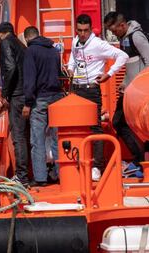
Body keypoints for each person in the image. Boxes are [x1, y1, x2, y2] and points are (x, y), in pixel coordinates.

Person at [68, 14, 129, 181]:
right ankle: (80, 162)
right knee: (78, 127)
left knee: (95, 127)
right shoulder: (75, 42)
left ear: (91, 29)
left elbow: (122, 56)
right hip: (76, 89)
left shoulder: (98, 44)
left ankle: (97, 166)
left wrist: (109, 74)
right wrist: (70, 68)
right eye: (79, 30)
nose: (82, 34)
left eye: (85, 31)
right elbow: (73, 57)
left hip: (91, 89)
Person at [103, 12, 148, 166]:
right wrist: (124, 82)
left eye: (114, 31)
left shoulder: (136, 37)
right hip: (131, 90)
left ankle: (140, 160)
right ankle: (140, 159)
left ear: (122, 25)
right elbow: (131, 67)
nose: (114, 34)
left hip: (140, 92)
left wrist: (142, 85)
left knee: (120, 122)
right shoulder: (124, 40)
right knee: (122, 123)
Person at [22, 26, 65, 186]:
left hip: (40, 98)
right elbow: (59, 74)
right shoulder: (54, 50)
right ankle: (62, 174)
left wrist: (27, 102)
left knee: (37, 140)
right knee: (57, 139)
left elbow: (30, 79)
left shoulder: (31, 52)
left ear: (27, 38)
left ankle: (40, 178)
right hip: (57, 97)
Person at [0, 22, 29, 185]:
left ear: (0, 34)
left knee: (18, 135)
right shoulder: (21, 45)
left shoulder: (6, 42)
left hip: (16, 94)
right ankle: (31, 174)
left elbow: (10, 68)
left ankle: (22, 176)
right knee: (27, 135)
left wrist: (5, 94)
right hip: (27, 93)